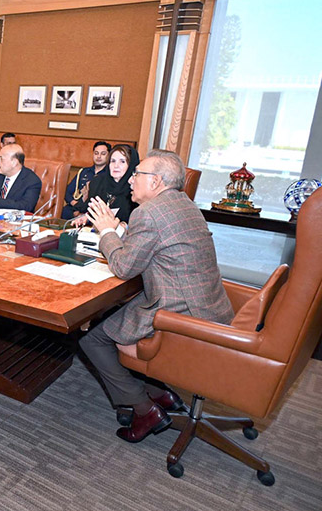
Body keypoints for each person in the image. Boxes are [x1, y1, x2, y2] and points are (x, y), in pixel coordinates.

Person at [79, 149, 234, 444]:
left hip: (179, 314)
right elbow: (151, 250)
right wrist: (120, 232)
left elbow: (124, 267)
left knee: (93, 339)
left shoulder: (148, 213)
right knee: (108, 316)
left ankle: (145, 408)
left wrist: (106, 232)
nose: (130, 181)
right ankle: (160, 393)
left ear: (157, 181)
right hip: (204, 304)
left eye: (137, 175)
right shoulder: (184, 204)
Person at [73, 144, 138, 224]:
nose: (116, 166)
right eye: (113, 161)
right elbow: (90, 210)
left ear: (131, 165)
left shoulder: (136, 188)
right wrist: (86, 218)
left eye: (122, 161)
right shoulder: (97, 182)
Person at [61, 141, 111, 219]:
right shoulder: (84, 172)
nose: (99, 156)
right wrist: (75, 204)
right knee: (64, 211)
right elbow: (67, 192)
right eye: (96, 153)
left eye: (103, 154)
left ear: (109, 156)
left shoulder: (110, 175)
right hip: (75, 207)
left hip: (95, 211)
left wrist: (83, 211)